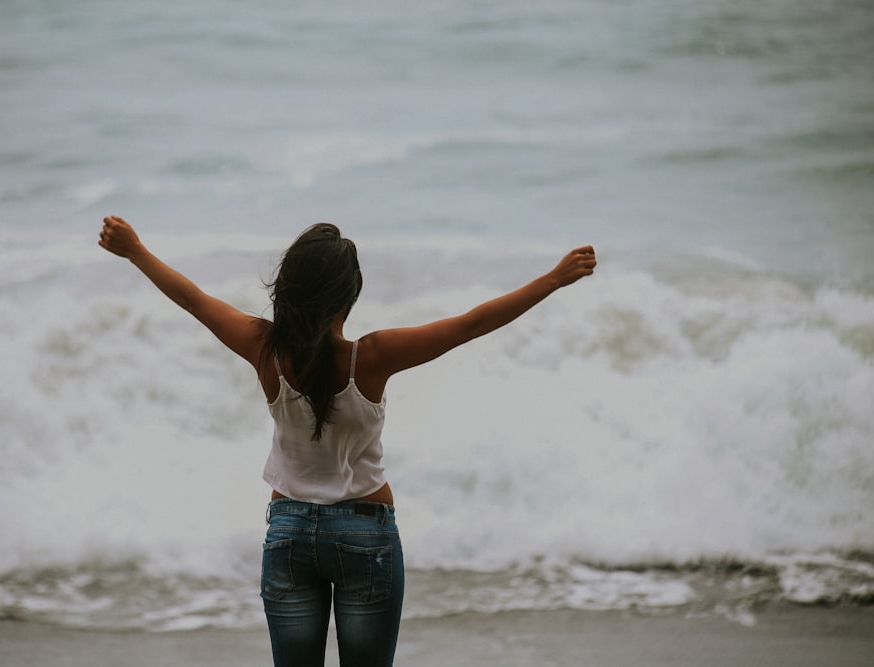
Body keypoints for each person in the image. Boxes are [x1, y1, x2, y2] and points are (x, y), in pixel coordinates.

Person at [98, 215, 597, 667]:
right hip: (366, 532)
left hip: (288, 532)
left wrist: (135, 250)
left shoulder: (264, 349)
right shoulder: (372, 356)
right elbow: (471, 325)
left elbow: (192, 299)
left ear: (289, 290)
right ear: (349, 295)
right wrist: (554, 279)